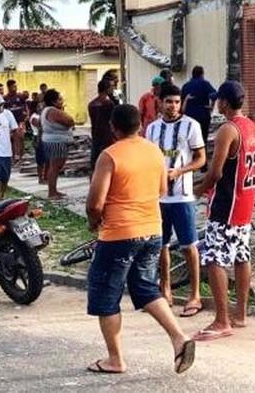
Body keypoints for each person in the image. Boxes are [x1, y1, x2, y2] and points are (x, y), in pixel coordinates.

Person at [85, 104, 195, 375]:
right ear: (139, 125)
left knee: (106, 295)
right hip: (152, 230)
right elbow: (160, 188)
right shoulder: (154, 151)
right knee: (145, 287)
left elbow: (95, 203)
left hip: (119, 233)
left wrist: (93, 222)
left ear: (114, 127)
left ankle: (115, 359)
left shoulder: (109, 156)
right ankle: (179, 337)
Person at [193, 81, 255, 341]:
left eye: (217, 100)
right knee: (242, 255)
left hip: (226, 203)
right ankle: (240, 313)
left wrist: (198, 189)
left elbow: (216, 172)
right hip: (245, 202)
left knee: (215, 259)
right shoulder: (251, 127)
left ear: (223, 102)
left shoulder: (228, 130)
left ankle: (222, 320)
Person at [145, 82, 206, 317]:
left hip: (182, 196)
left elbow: (201, 159)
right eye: (168, 101)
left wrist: (179, 172)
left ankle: (195, 294)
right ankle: (165, 289)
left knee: (189, 245)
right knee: (161, 245)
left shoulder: (191, 126)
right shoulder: (151, 129)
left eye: (177, 102)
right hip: (158, 197)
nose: (172, 106)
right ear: (159, 102)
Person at [38, 89, 75, 199]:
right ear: (53, 102)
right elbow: (69, 121)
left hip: (54, 141)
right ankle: (52, 192)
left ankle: (54, 190)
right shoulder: (53, 111)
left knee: (55, 166)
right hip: (55, 142)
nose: (62, 101)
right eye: (59, 99)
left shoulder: (48, 110)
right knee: (55, 166)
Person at [181, 66, 217, 149]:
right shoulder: (205, 84)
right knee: (202, 140)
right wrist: (211, 106)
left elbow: (181, 101)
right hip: (203, 115)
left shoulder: (186, 86)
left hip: (188, 116)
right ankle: (202, 159)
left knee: (189, 140)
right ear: (202, 74)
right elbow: (214, 95)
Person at [88, 79, 116, 168]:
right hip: (107, 136)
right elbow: (112, 120)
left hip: (95, 135)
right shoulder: (109, 104)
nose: (113, 89)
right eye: (112, 87)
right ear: (107, 89)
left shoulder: (92, 104)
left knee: (95, 163)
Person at [4, 79, 28, 162]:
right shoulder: (5, 98)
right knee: (12, 139)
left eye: (16, 86)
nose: (15, 88)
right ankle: (15, 156)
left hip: (20, 121)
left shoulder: (20, 96)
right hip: (10, 123)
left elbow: (25, 105)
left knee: (21, 138)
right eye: (14, 86)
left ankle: (21, 156)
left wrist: (26, 116)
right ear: (9, 87)